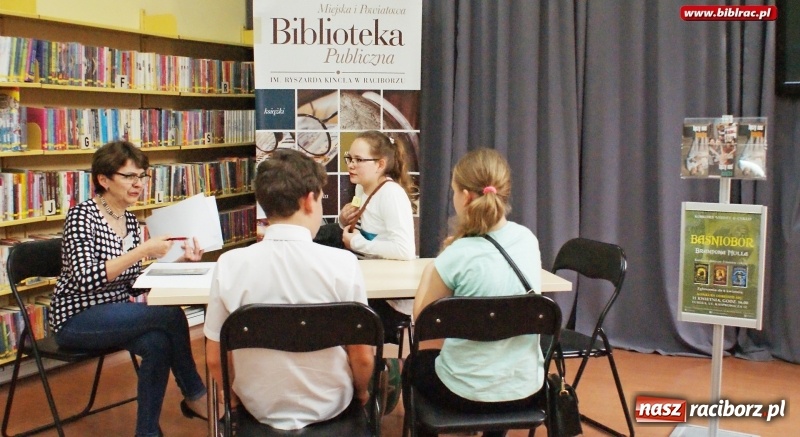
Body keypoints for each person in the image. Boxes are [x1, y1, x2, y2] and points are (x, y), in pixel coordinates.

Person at [204, 149, 374, 430]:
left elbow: (214, 357)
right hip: (331, 405)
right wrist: (362, 392)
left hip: (258, 407)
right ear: (309, 200)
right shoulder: (343, 264)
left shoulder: (229, 265)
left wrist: (234, 401)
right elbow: (362, 356)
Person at [50, 141, 210, 437]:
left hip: (115, 313)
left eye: (143, 176)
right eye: (130, 177)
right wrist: (142, 251)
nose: (139, 184)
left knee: (158, 344)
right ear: (104, 179)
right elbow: (86, 278)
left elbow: (135, 281)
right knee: (171, 316)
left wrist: (178, 260)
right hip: (77, 318)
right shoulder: (82, 217)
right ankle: (196, 394)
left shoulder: (131, 222)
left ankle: (147, 433)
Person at [408, 148, 544, 437]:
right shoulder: (527, 240)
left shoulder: (456, 255)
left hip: (463, 394)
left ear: (466, 197)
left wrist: (438, 262)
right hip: (526, 391)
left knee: (414, 365)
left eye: (454, 191)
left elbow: (422, 321)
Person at [339, 130, 416, 344]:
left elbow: (404, 250)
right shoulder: (360, 189)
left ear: (380, 164)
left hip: (389, 298)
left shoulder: (391, 194)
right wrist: (344, 221)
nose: (351, 165)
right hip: (369, 284)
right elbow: (364, 230)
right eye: (350, 158)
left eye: (359, 160)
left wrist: (355, 242)